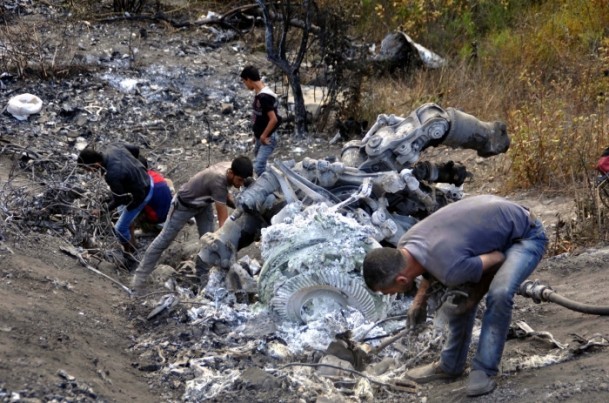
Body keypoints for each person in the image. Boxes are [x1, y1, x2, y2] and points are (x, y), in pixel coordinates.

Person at [362, 195, 547, 397]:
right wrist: (419, 301)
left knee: (499, 293)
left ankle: (484, 369)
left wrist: (473, 297)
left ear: (401, 281)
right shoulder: (405, 245)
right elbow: (429, 265)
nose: (387, 295)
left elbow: (497, 258)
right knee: (458, 294)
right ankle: (450, 365)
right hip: (493, 224)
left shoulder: (450, 269)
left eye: (385, 292)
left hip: (526, 235)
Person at [131, 156, 253, 295]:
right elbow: (223, 222)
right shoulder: (218, 180)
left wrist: (241, 206)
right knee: (163, 240)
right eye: (240, 180)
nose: (241, 184)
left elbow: (226, 196)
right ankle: (138, 281)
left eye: (244, 181)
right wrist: (227, 244)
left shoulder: (230, 169)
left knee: (209, 244)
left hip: (204, 204)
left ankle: (203, 281)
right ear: (231, 173)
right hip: (183, 205)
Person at [77, 143, 153, 265]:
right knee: (122, 212)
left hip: (142, 193)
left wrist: (101, 211)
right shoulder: (111, 148)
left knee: (119, 228)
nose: (89, 172)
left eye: (87, 169)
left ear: (95, 164)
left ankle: (128, 255)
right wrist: (134, 167)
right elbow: (135, 148)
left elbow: (120, 200)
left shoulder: (112, 175)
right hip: (146, 178)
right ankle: (133, 244)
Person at [240, 65, 280, 176]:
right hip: (260, 136)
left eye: (244, 81)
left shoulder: (264, 97)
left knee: (258, 168)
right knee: (258, 162)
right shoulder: (260, 93)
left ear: (248, 79)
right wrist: (257, 135)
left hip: (267, 137)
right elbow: (260, 117)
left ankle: (272, 186)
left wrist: (263, 136)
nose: (245, 85)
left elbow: (273, 119)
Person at [136, 156, 173, 234]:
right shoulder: (154, 174)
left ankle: (146, 229)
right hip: (171, 213)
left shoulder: (140, 184)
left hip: (158, 218)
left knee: (132, 206)